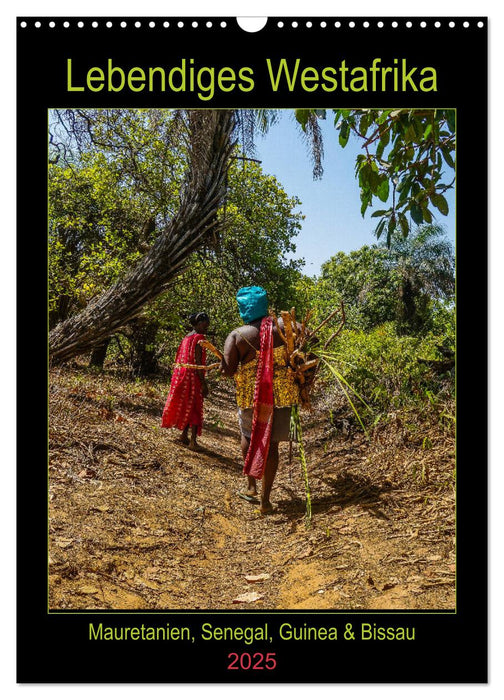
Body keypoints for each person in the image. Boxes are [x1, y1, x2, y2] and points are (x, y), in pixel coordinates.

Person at [220, 287, 300, 514]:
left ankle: (251, 486)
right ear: (264, 305)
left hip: (251, 396)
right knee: (272, 443)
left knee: (249, 435)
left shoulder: (237, 335)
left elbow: (228, 370)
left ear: (243, 307)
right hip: (283, 395)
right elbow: (310, 336)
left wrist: (222, 366)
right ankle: (266, 499)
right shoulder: (285, 327)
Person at [161, 312, 210, 451]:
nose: (206, 329)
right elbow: (198, 362)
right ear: (199, 323)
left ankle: (183, 435)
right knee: (195, 406)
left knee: (187, 404)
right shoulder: (199, 338)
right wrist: (203, 383)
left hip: (181, 376)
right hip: (193, 377)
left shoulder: (186, 338)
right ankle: (193, 441)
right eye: (205, 325)